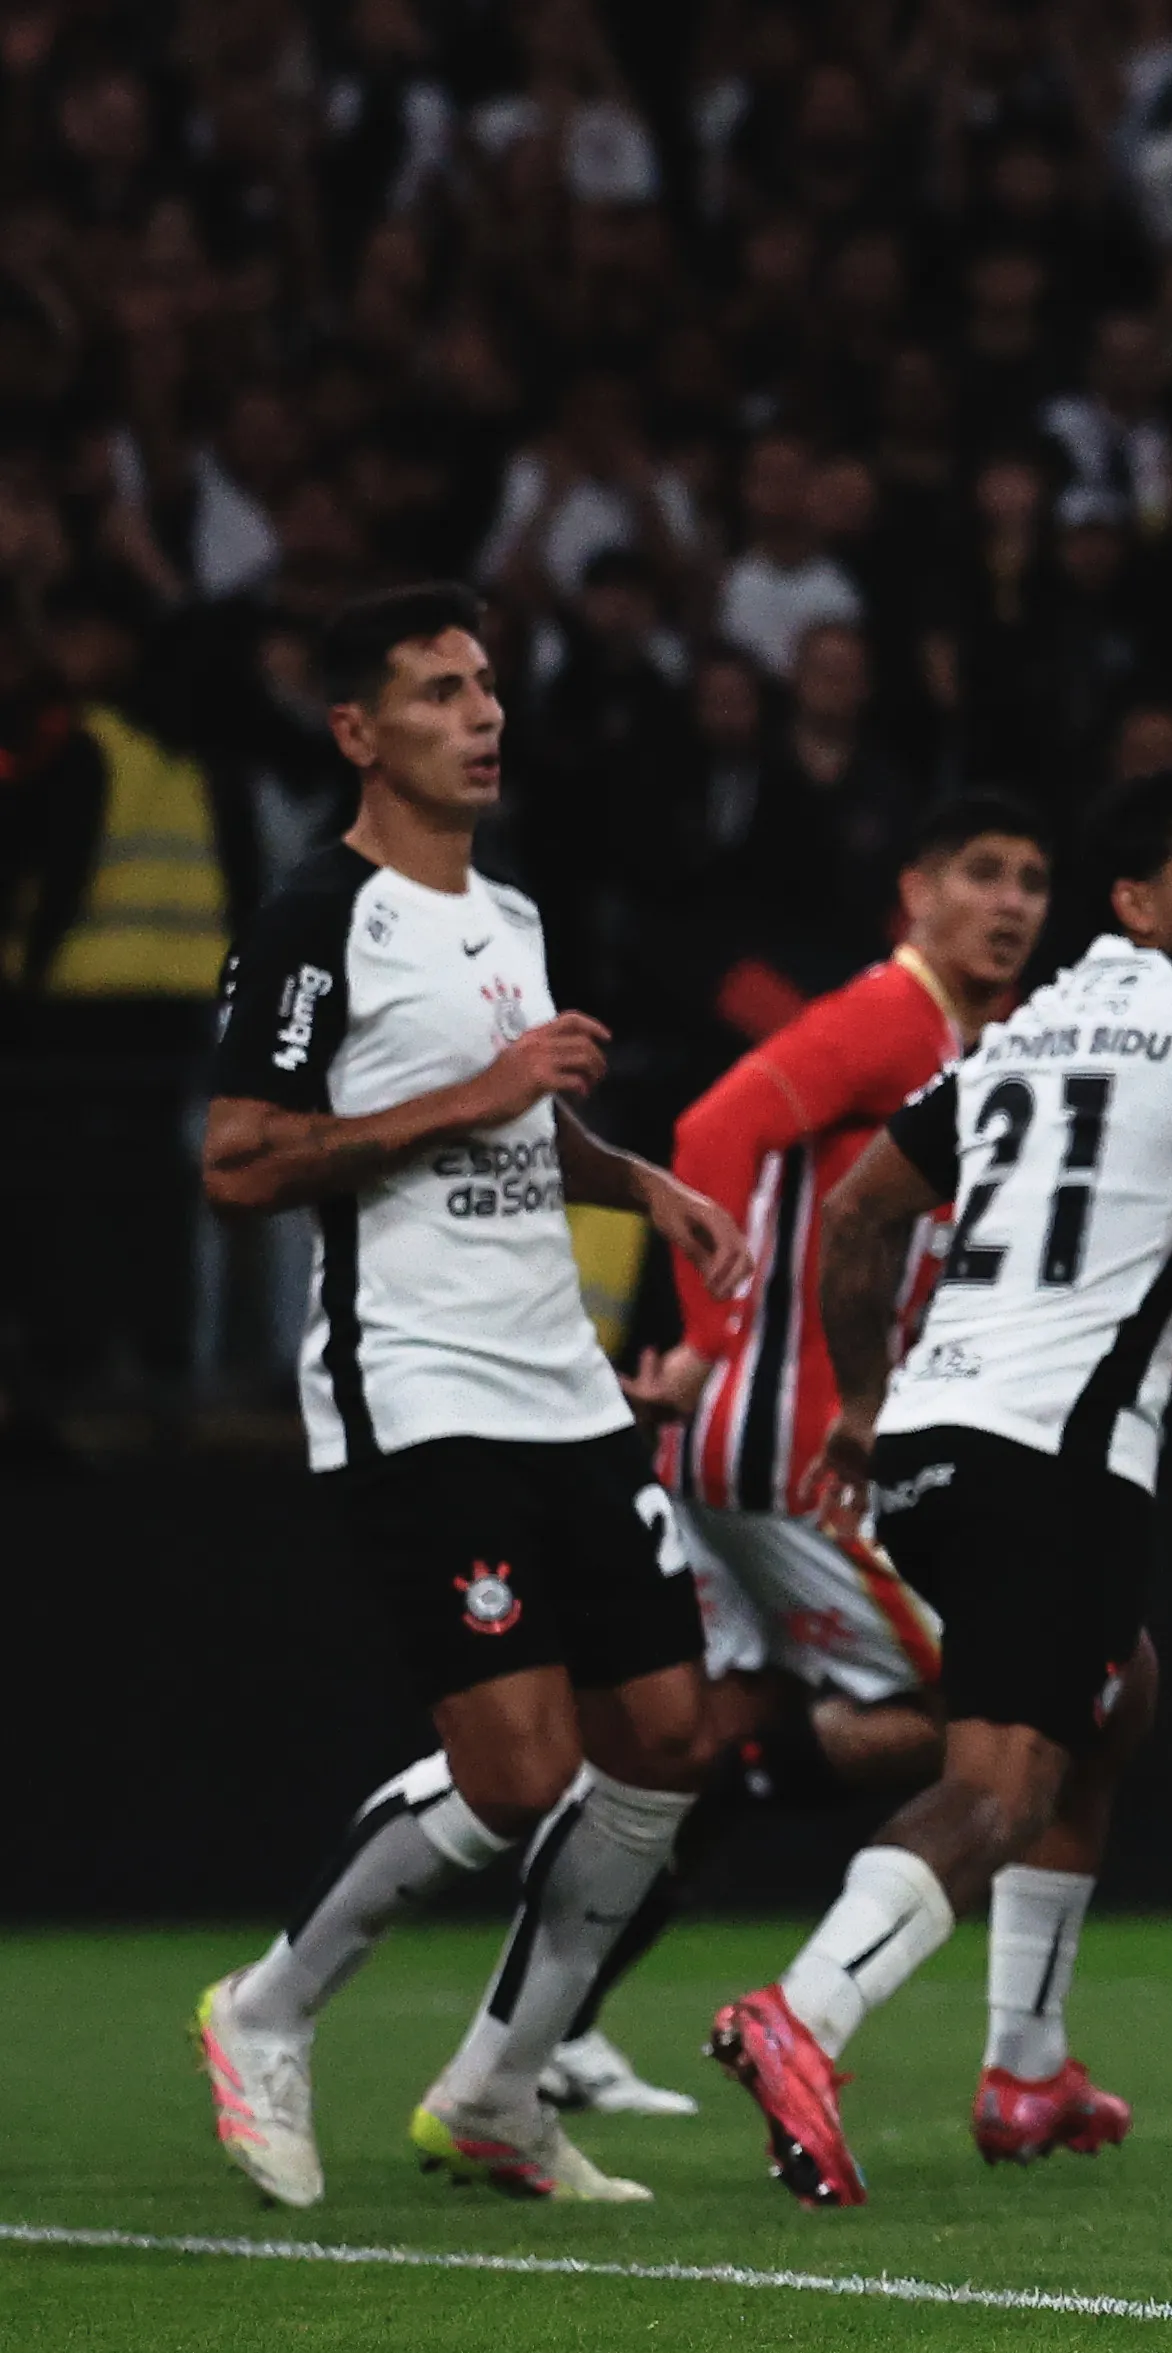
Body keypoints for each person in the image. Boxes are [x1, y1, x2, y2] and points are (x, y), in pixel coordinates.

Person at [705, 765, 1172, 2205]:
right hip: (1056, 1458)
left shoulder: (1017, 1036)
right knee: (1001, 1783)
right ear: (1138, 902)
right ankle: (804, 2013)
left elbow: (854, 1215)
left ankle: (1026, 2067)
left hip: (935, 1442)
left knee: (1117, 1690)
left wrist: (857, 1404)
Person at [191, 583, 759, 2206]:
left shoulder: (503, 914)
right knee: (514, 1772)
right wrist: (485, 1092)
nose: (483, 713)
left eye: (490, 685)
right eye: (442, 689)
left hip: (561, 1385)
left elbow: (513, 1123)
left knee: (666, 1733)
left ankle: (502, 2089)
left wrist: (636, 1177)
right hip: (420, 1384)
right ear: (360, 732)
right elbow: (240, 1159)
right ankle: (265, 2008)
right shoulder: (320, 915)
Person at [539, 787, 1058, 2122]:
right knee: (1019, 1703)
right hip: (789, 1453)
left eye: (1032, 882)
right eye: (984, 873)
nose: (1012, 903)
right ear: (916, 891)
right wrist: (710, 1332)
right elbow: (713, 1131)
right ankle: (829, 1991)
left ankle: (554, 2025)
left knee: (697, 1739)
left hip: (745, 1455)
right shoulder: (889, 1014)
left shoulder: (964, 1036)